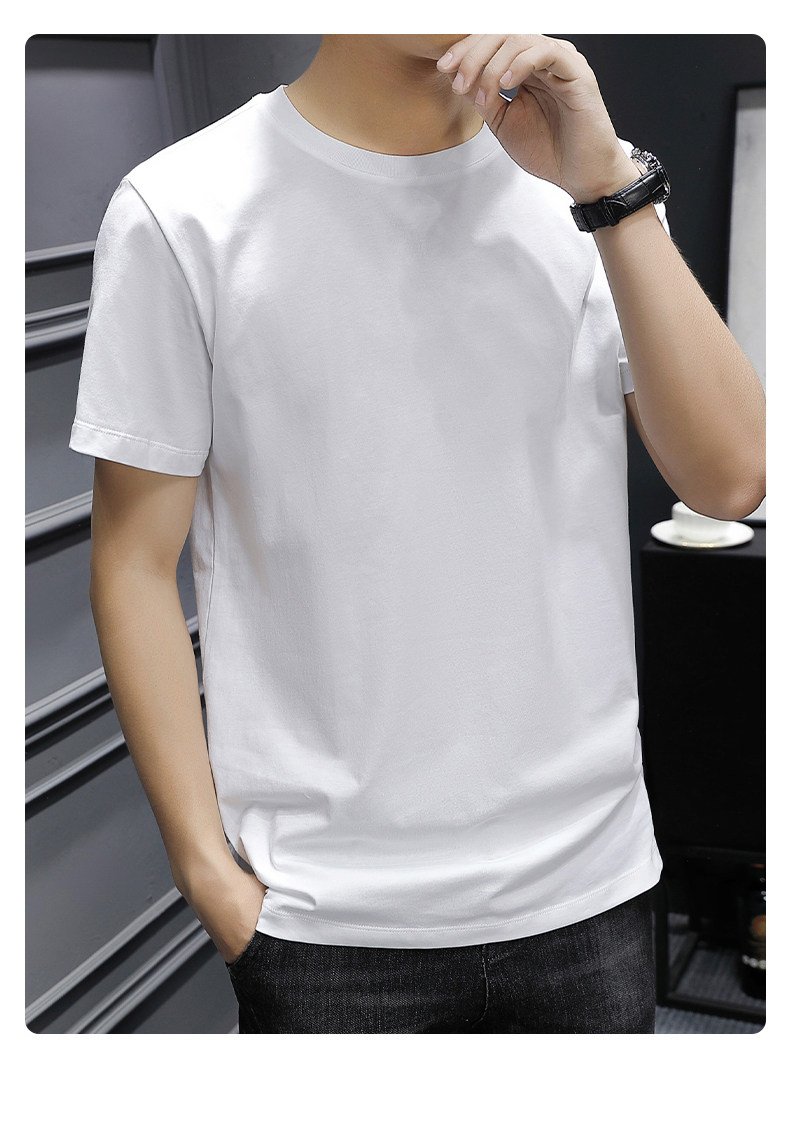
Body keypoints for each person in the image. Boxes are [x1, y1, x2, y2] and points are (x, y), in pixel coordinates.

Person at [69, 34, 765, 1034]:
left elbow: (731, 479)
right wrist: (207, 874)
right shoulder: (182, 207)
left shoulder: (584, 185)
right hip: (322, 917)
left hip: (586, 890)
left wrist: (608, 189)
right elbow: (134, 563)